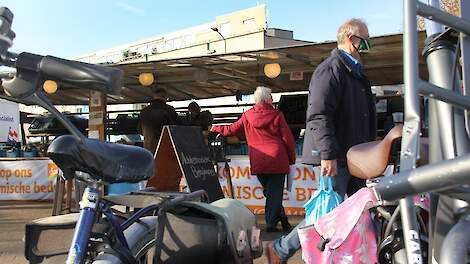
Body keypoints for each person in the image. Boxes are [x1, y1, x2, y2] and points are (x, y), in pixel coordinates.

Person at [265, 18, 377, 264]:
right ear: (351, 40)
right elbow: (318, 115)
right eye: (366, 41)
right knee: (328, 213)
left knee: (362, 211)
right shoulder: (331, 70)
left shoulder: (357, 75)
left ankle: (368, 255)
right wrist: (328, 154)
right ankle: (281, 249)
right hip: (339, 156)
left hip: (356, 157)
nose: (369, 46)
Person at [211, 86, 296, 232]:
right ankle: (271, 224)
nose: (273, 99)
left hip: (258, 159)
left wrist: (215, 128)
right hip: (276, 158)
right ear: (267, 99)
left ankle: (283, 220)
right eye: (271, 97)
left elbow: (231, 129)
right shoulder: (277, 115)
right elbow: (287, 138)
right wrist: (291, 157)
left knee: (271, 193)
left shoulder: (247, 115)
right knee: (274, 193)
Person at [138, 86, 178, 153]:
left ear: (154, 96)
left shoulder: (144, 111)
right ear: (164, 96)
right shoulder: (169, 110)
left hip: (148, 147)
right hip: (166, 147)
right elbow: (176, 129)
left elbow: (140, 130)